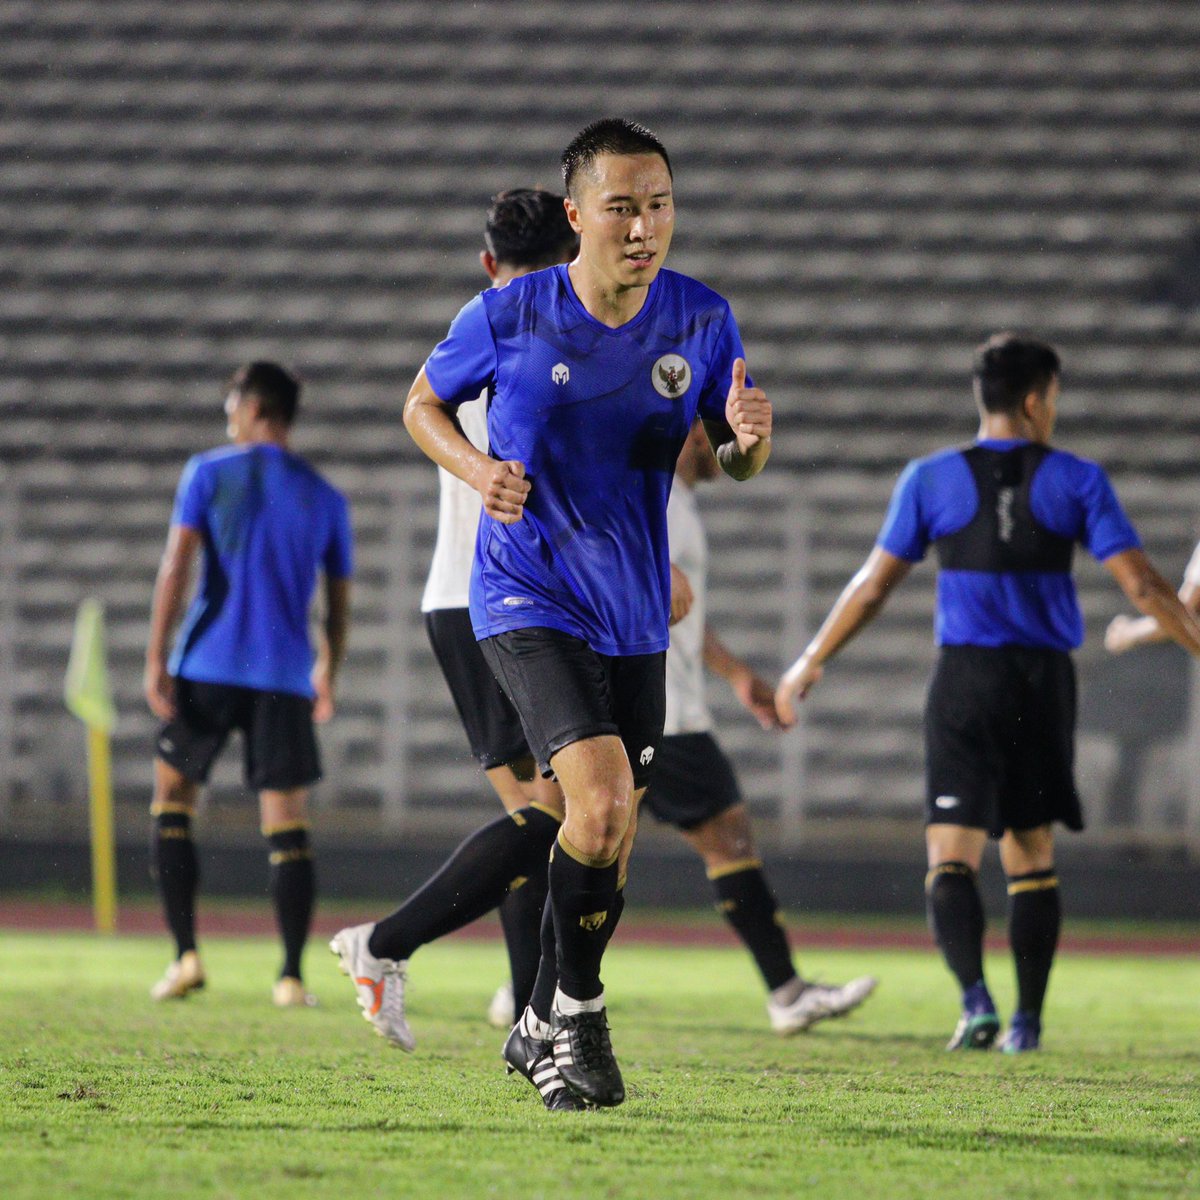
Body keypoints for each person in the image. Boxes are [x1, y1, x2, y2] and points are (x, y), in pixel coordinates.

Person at [341, 116, 771, 1111]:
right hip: (523, 596)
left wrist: (749, 442)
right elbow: (420, 404)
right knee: (598, 801)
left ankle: (541, 1018)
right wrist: (477, 467)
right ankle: (575, 1018)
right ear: (577, 214)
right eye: (622, 207)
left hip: (633, 617)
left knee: (606, 837)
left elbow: (735, 457)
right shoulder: (511, 314)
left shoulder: (702, 321)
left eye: (659, 206)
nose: (643, 226)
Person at [774, 333, 1200, 1054]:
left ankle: (975, 1002)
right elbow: (1143, 585)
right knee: (1030, 854)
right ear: (1036, 400)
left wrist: (810, 658)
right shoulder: (1077, 480)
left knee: (950, 854)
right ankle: (1026, 1024)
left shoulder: (930, 479)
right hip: (1041, 681)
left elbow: (873, 585)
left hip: (965, 681)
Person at [329, 190, 578, 1066]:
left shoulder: (470, 329)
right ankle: (387, 942)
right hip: (501, 604)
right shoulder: (538, 333)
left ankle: (528, 1010)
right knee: (558, 819)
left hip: (468, 598)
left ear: (487, 261)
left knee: (546, 817)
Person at [646, 420, 878, 1033]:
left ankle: (533, 988)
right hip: (660, 708)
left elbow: (683, 615)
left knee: (593, 847)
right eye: (716, 432)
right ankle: (786, 991)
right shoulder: (655, 496)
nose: (729, 450)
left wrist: (735, 674)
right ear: (691, 430)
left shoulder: (677, 500)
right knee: (720, 838)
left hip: (672, 702)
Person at [144, 361, 352, 1007]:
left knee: (173, 798)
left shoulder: (208, 473)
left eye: (232, 402)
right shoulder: (325, 497)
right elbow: (338, 602)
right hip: (284, 675)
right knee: (286, 824)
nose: (227, 413)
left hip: (206, 664)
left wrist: (156, 657)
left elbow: (177, 566)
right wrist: (329, 668)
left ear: (255, 407)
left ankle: (185, 958)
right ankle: (290, 977)